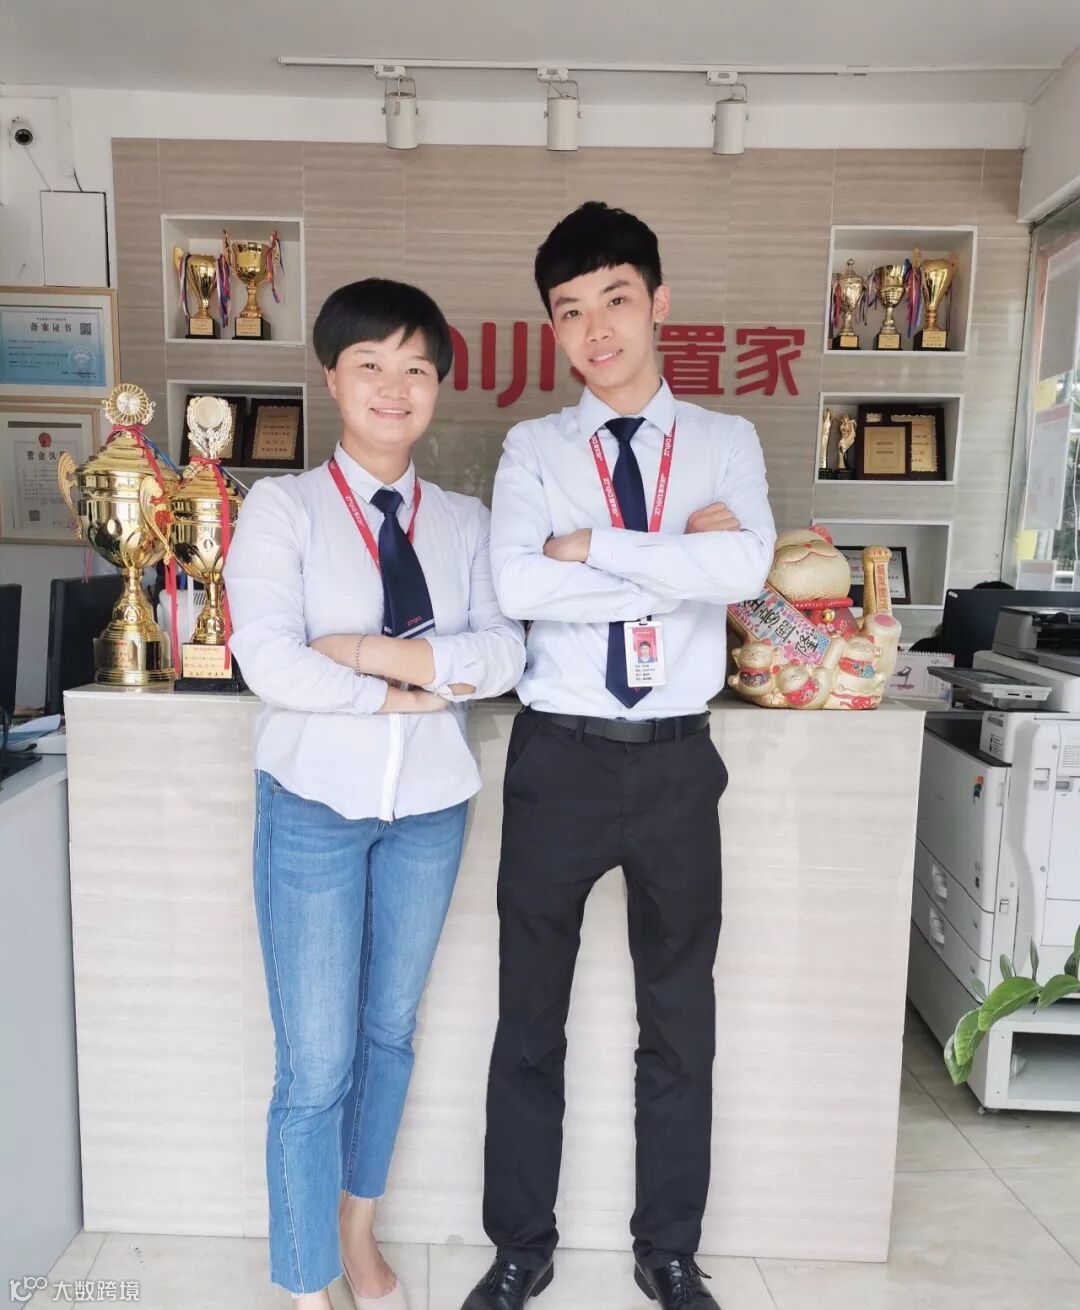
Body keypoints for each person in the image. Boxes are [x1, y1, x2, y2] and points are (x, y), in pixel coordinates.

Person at [461, 202, 776, 1310]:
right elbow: (517, 584)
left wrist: (590, 545)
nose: (596, 329)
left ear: (658, 303)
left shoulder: (726, 441)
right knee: (528, 1017)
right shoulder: (533, 448)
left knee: (680, 1021)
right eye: (569, 310)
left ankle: (668, 1250)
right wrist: (673, 559)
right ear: (553, 327)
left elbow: (743, 571)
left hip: (678, 762)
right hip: (560, 759)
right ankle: (520, 1246)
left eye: (616, 299)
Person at [223, 279, 526, 1310]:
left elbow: (503, 654)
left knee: (390, 1032)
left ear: (437, 384)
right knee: (317, 1061)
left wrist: (360, 650)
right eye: (371, 365)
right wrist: (401, 694)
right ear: (332, 378)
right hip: (313, 806)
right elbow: (268, 657)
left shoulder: (468, 522)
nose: (394, 387)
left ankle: (358, 1231)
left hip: (432, 809)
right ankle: (307, 1281)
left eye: (416, 368)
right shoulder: (285, 508)